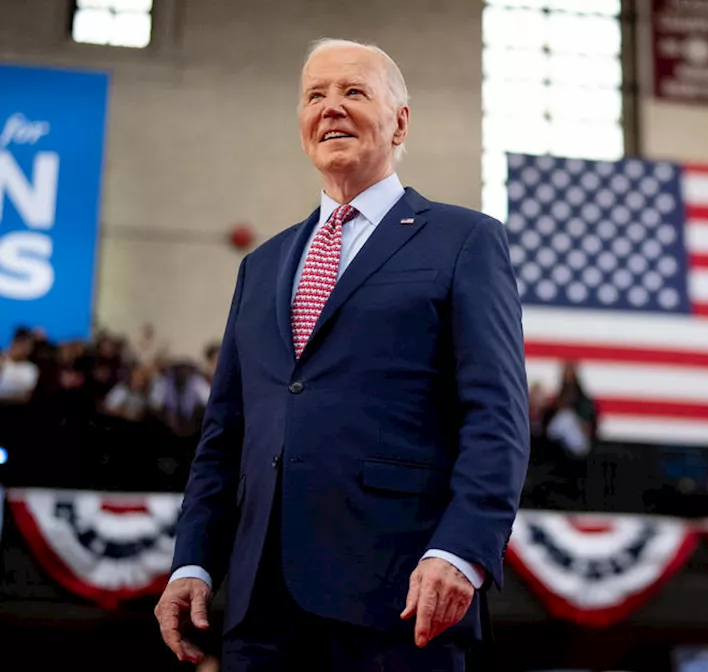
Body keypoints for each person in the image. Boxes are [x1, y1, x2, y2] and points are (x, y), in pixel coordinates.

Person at [154, 38, 530, 671]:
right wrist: (192, 561)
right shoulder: (261, 265)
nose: (330, 108)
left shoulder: (466, 240)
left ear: (400, 121)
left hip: (399, 601)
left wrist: (461, 550)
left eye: (353, 92)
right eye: (314, 96)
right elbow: (224, 437)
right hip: (259, 613)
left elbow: (497, 418)